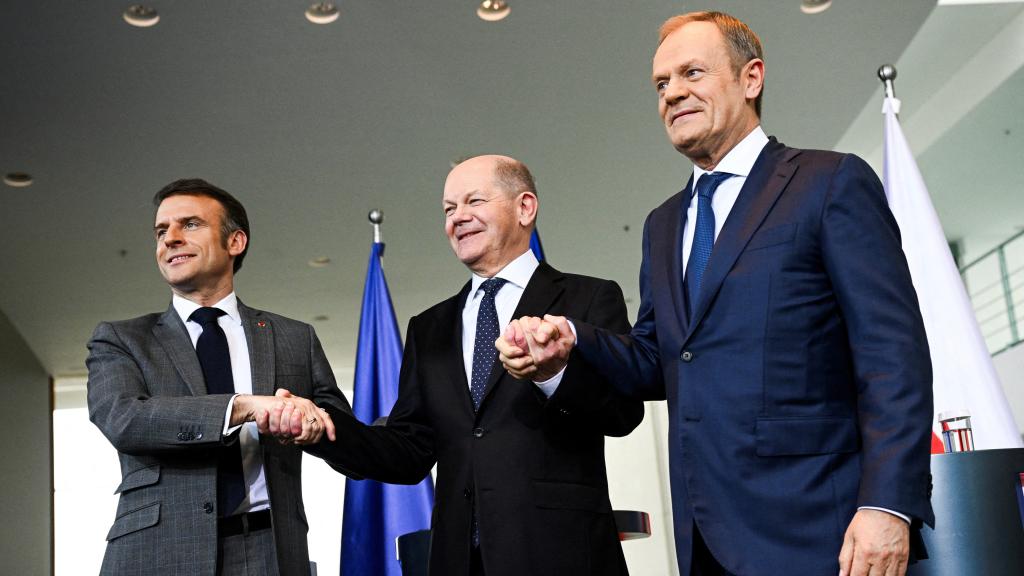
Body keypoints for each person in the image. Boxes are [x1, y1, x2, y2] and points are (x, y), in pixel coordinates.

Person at [497, 12, 934, 576]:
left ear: (751, 78)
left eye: (692, 73)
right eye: (661, 84)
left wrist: (887, 506)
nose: (673, 92)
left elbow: (892, 357)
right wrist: (571, 342)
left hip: (824, 533)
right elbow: (661, 360)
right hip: (703, 537)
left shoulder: (830, 183)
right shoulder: (662, 225)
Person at [278, 155, 644, 576]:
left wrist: (552, 375)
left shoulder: (587, 299)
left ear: (525, 207)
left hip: (561, 554)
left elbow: (622, 413)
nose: (458, 218)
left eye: (474, 201)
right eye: (449, 209)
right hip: (458, 560)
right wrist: (326, 432)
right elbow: (410, 450)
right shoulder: (429, 328)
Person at [87, 178, 351, 576]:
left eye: (189, 224)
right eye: (162, 231)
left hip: (272, 552)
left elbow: (337, 425)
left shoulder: (294, 337)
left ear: (235, 242)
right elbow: (125, 420)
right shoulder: (121, 339)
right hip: (159, 554)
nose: (170, 239)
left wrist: (311, 422)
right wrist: (242, 406)